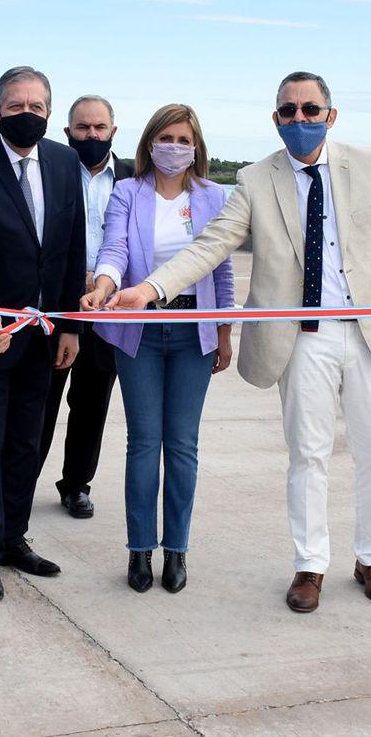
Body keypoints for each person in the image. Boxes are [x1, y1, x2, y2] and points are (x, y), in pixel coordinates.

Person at [106, 73, 371, 613]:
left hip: (369, 332)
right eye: (289, 111)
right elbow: (211, 247)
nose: (300, 120)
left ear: (331, 113)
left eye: (310, 110)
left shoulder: (369, 163)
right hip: (302, 340)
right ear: (276, 118)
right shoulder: (256, 179)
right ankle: (310, 565)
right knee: (308, 454)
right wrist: (150, 289)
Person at [0, 66, 86, 601]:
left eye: (36, 105)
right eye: (16, 105)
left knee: (28, 437)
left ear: (49, 111)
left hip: (46, 331)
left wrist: (71, 324)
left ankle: (13, 537)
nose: (26, 113)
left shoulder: (64, 161)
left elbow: (72, 248)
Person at [83, 104, 234, 593]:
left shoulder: (215, 197)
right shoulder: (128, 192)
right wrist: (104, 285)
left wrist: (224, 333)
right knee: (144, 443)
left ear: (196, 147)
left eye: (183, 139)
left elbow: (222, 270)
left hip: (194, 332)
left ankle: (177, 551)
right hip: (140, 332)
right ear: (149, 143)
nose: (174, 147)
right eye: (165, 137)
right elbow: (115, 250)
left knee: (184, 446)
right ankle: (139, 550)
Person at [37, 95, 133, 519]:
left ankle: (76, 485)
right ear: (67, 132)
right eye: (82, 128)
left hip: (109, 311)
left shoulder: (135, 178)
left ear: (113, 130)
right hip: (57, 305)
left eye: (99, 128)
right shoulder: (50, 171)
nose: (91, 135)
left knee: (92, 404)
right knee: (40, 401)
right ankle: (20, 482)